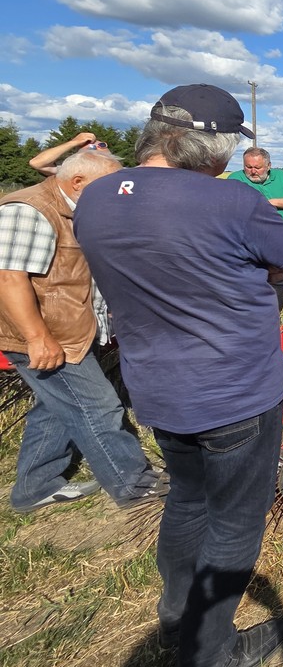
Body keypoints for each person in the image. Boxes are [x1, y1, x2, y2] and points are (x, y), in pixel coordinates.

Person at [74, 83, 283, 667]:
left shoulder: (96, 198)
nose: (230, 158)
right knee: (234, 523)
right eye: (230, 146)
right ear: (205, 146)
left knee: (187, 501)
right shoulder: (229, 200)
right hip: (235, 391)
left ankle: (176, 617)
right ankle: (210, 652)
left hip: (156, 388)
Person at [0, 147, 162, 514]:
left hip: (69, 329)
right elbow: (8, 279)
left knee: (55, 407)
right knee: (99, 407)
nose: (115, 194)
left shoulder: (74, 209)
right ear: (77, 181)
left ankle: (34, 487)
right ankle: (135, 487)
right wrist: (37, 338)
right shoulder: (29, 210)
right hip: (49, 335)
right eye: (108, 186)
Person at [228, 147, 283, 309]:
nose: (253, 171)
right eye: (248, 167)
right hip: (249, 238)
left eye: (257, 167)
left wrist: (271, 203)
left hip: (280, 236)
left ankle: (275, 311)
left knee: (278, 274)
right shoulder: (235, 179)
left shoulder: (282, 177)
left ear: (268, 166)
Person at [28, 130, 106, 176]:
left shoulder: (113, 166)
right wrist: (74, 142)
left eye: (102, 145)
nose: (97, 148)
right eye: (91, 146)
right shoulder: (74, 168)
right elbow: (36, 163)